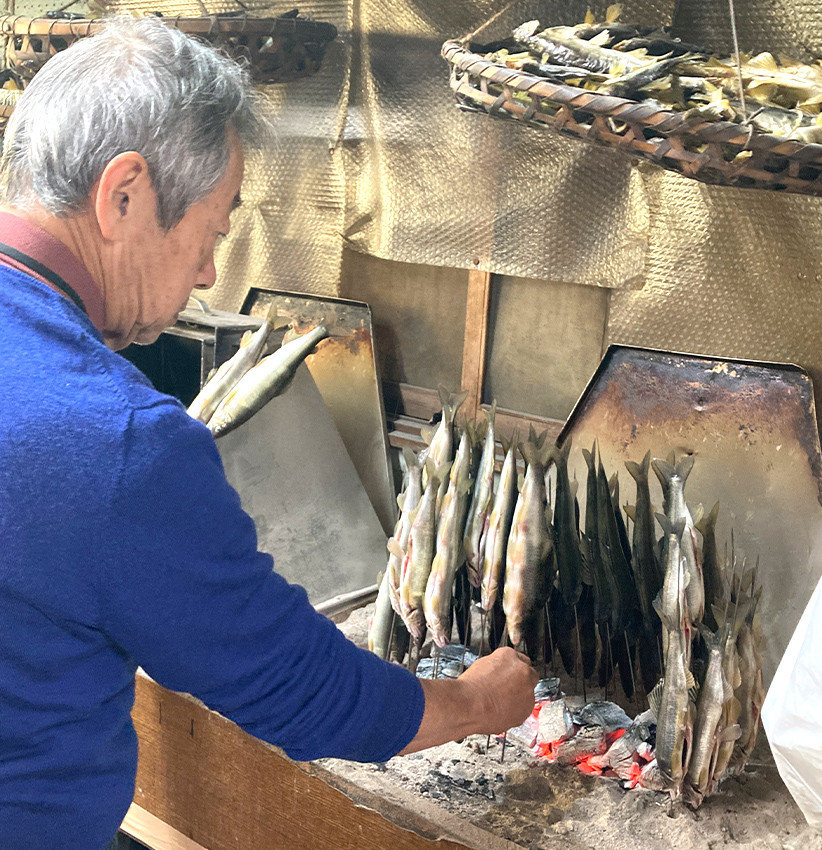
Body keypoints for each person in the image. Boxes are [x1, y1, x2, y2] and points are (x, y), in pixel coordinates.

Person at [0, 17, 538, 850]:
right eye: (213, 230)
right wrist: (474, 703)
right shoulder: (113, 443)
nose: (212, 271)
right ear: (125, 196)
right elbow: (301, 691)